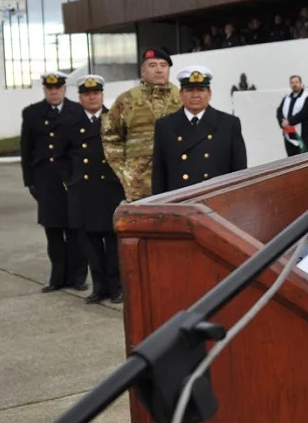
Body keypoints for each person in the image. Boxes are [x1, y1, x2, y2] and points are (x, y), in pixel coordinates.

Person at [58, 75, 125, 304]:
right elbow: (61, 156)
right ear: (80, 98)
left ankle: (116, 288)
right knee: (92, 243)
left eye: (96, 93)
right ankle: (99, 288)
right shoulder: (70, 123)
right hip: (84, 191)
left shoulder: (114, 119)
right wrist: (72, 181)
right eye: (87, 94)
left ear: (102, 95)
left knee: (113, 242)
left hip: (110, 190)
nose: (92, 97)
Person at [20, 71, 88, 293]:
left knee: (76, 231)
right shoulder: (32, 113)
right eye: (49, 88)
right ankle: (57, 277)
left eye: (57, 88)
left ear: (64, 89)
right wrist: (29, 181)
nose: (54, 91)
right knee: (54, 231)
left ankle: (78, 277)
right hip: (46, 180)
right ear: (44, 90)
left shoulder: (78, 111)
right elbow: (26, 149)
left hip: (72, 178)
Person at [151, 65, 248, 195]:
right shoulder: (165, 126)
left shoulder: (229, 124)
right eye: (189, 90)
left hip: (217, 200)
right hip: (179, 202)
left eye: (201, 90)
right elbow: (159, 175)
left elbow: (239, 173)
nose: (195, 95)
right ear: (180, 94)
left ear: (209, 94)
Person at [102, 48, 181, 201]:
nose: (159, 70)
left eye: (163, 65)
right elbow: (110, 136)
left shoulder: (182, 98)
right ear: (143, 70)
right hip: (138, 186)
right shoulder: (126, 100)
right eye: (152, 65)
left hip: (176, 181)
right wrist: (124, 172)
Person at [277, 75, 308, 156]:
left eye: (296, 82)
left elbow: (304, 113)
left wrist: (289, 121)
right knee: (290, 158)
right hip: (288, 133)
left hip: (301, 134)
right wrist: (282, 122)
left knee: (303, 157)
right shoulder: (286, 98)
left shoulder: (307, 98)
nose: (294, 84)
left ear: (301, 83)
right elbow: (279, 111)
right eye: (292, 82)